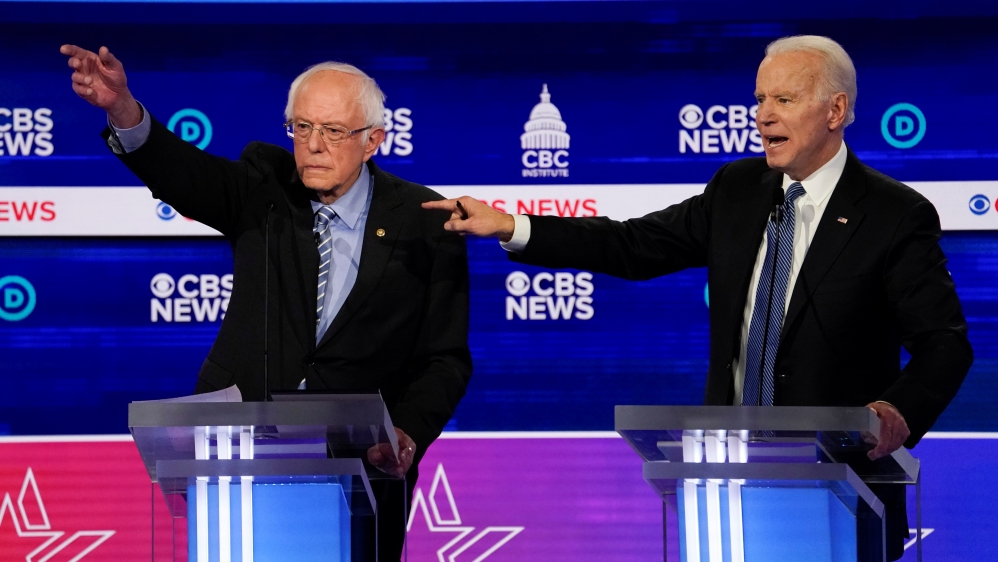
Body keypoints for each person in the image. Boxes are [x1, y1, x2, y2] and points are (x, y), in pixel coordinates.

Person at [424, 35, 972, 560]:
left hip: (844, 491)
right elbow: (633, 244)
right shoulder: (737, 190)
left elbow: (944, 345)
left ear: (835, 110)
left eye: (784, 99)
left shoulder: (893, 214)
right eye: (759, 99)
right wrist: (512, 227)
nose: (763, 114)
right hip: (728, 483)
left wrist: (897, 411)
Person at [60, 44, 472, 560]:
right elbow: (185, 175)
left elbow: (444, 358)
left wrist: (408, 431)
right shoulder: (266, 188)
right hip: (239, 452)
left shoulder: (425, 221)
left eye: (333, 131)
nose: (314, 145)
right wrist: (122, 108)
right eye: (302, 128)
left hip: (364, 465)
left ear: (373, 142)